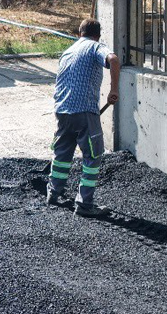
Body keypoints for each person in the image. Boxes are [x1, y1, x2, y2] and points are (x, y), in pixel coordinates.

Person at [48, 18, 121, 217]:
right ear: (97, 34)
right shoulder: (95, 47)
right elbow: (113, 60)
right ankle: (84, 204)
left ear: (79, 33)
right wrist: (114, 90)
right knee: (93, 156)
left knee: (62, 154)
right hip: (85, 111)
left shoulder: (68, 52)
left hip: (62, 110)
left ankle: (53, 192)